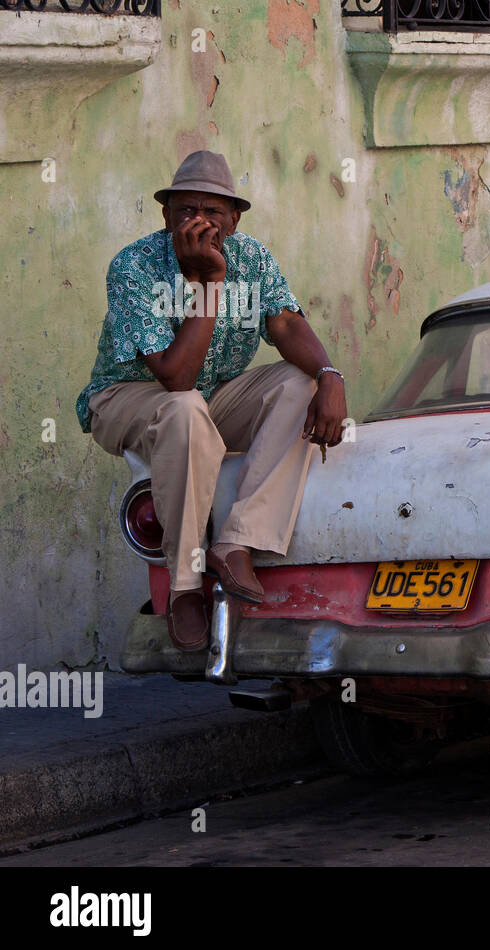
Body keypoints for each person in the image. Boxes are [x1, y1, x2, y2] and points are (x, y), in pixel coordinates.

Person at [76, 150, 348, 652]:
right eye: (185, 211)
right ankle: (183, 585)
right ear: (166, 215)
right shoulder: (134, 267)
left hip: (212, 397)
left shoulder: (254, 257)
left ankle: (235, 541)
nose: (199, 222)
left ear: (235, 219)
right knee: (183, 409)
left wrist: (330, 375)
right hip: (127, 398)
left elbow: (285, 323)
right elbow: (176, 378)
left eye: (213, 212)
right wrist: (210, 283)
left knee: (298, 383)